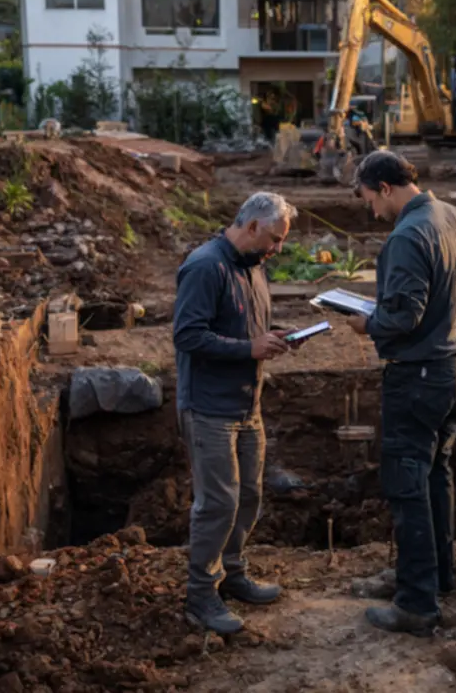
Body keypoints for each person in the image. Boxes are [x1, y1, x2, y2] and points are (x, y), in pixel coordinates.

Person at [345, 150, 456, 636]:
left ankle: (417, 605)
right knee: (433, 477)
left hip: (421, 374)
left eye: (369, 199)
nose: (371, 210)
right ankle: (433, 577)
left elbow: (402, 317)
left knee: (408, 485)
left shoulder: (407, 235)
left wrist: (369, 324)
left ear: (385, 187)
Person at [173, 191, 300, 635]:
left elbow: (247, 327)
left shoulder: (252, 266)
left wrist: (272, 337)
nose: (277, 249)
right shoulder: (206, 266)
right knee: (218, 503)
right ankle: (201, 594)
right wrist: (249, 347)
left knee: (247, 495)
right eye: (275, 239)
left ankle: (232, 572)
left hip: (248, 404)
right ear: (251, 226)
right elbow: (188, 336)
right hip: (210, 408)